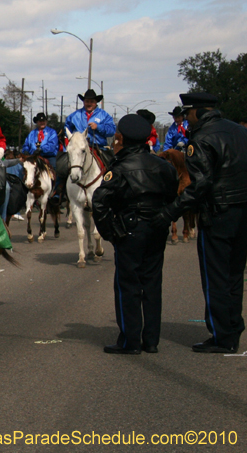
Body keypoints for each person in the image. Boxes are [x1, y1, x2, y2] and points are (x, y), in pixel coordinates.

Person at [151, 92, 247, 353]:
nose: (186, 118)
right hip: (242, 212)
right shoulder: (239, 131)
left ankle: (221, 336)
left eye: (188, 113)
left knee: (215, 277)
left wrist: (169, 213)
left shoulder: (202, 138)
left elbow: (199, 186)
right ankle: (233, 326)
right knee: (235, 275)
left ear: (200, 112)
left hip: (217, 214)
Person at [92, 115, 178, 354]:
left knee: (128, 284)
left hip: (130, 228)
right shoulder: (164, 166)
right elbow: (174, 197)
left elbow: (99, 202)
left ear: (122, 139)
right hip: (157, 227)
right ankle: (151, 340)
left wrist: (110, 233)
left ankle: (130, 341)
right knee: (152, 283)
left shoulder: (119, 169)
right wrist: (165, 216)